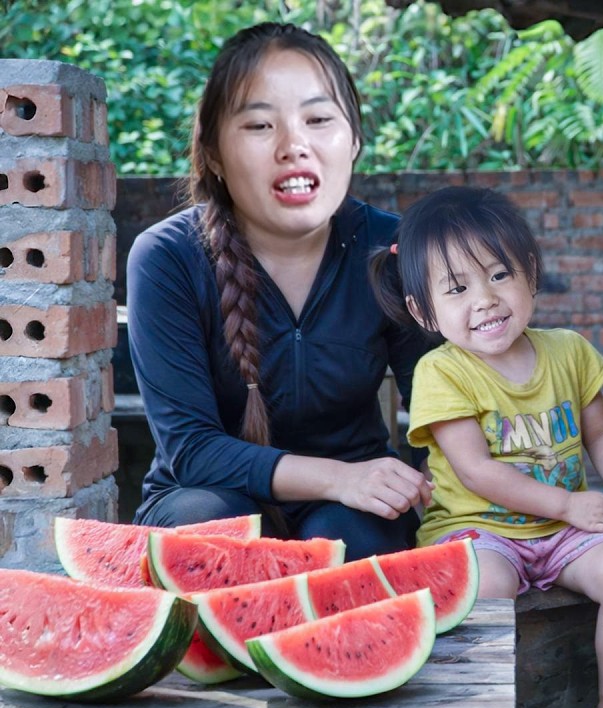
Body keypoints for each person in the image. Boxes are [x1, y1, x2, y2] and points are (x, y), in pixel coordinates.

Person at [127, 23, 433, 560]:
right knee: (209, 526)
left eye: (318, 119)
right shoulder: (167, 258)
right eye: (260, 125)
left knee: (352, 539)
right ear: (215, 152)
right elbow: (193, 451)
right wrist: (337, 478)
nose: (295, 146)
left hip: (355, 508)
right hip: (205, 496)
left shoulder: (394, 249)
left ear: (354, 139)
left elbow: (444, 405)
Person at [369, 186, 603, 708]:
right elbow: (475, 470)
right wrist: (568, 505)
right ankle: (481, 707)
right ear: (424, 312)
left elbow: (602, 433)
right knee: (486, 584)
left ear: (530, 275)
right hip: (479, 528)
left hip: (564, 531)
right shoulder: (442, 371)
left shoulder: (569, 350)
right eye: (457, 288)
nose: (485, 300)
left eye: (499, 275)